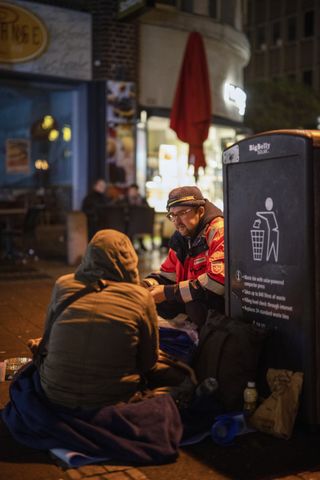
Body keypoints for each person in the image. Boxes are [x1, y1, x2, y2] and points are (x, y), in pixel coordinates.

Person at [142, 186, 224, 330]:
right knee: (149, 299)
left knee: (194, 306)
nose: (176, 221)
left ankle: (206, 340)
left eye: (182, 213)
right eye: (172, 216)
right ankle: (186, 334)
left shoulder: (218, 230)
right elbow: (167, 275)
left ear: (200, 211)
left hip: (218, 306)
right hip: (192, 300)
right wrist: (145, 286)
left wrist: (168, 292)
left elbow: (216, 282)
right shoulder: (182, 237)